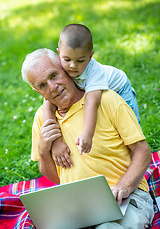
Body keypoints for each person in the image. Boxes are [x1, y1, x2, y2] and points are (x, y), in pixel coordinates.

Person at [21, 48, 154, 229]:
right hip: (79, 207)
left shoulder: (107, 99)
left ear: (66, 68)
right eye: (43, 85)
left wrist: (124, 186)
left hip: (127, 197)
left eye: (54, 75)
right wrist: (44, 149)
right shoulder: (42, 119)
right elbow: (56, 177)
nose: (52, 87)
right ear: (37, 91)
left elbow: (142, 150)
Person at [43, 24, 140, 169]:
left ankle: (134, 166)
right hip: (95, 94)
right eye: (67, 59)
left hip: (120, 89)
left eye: (80, 60)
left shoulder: (95, 72)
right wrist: (56, 141)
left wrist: (87, 134)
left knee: (129, 132)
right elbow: (48, 103)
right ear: (59, 53)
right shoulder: (59, 67)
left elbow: (91, 102)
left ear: (90, 56)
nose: (72, 66)